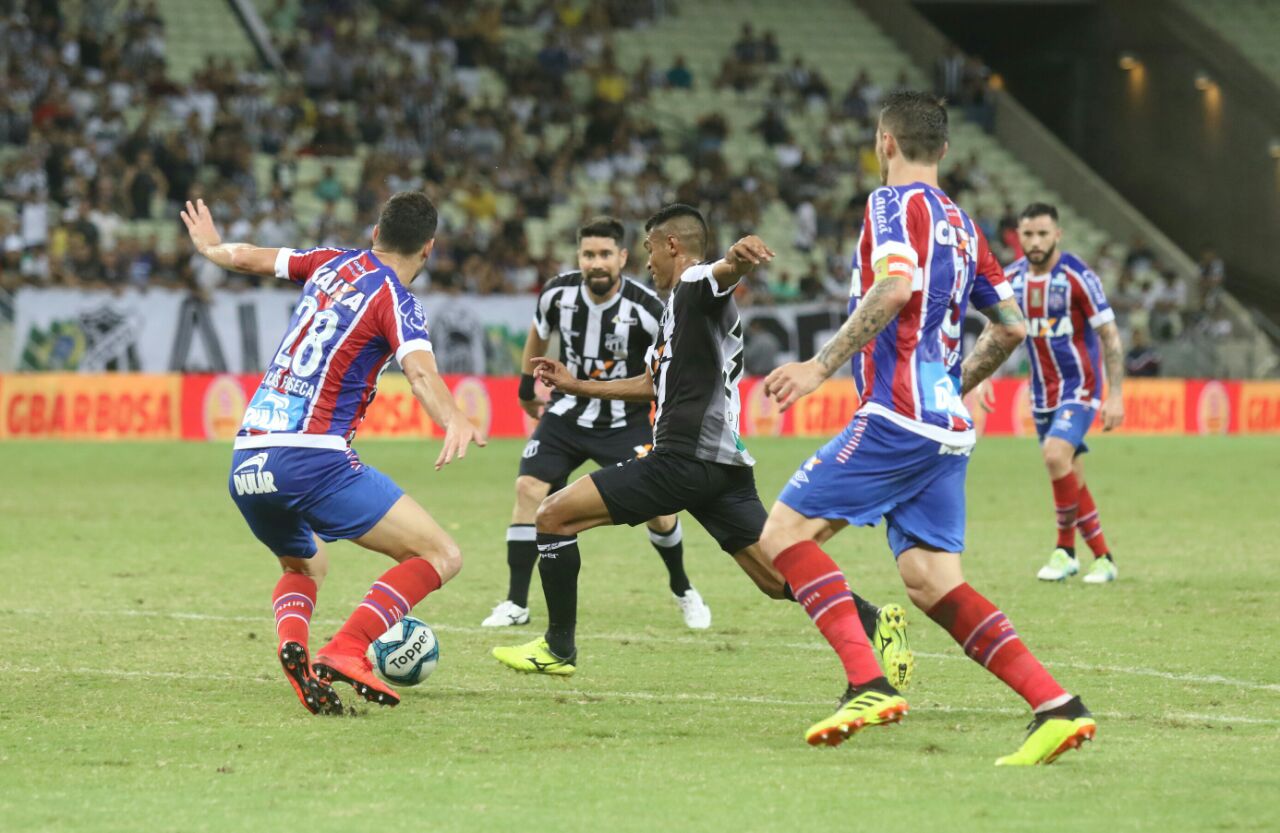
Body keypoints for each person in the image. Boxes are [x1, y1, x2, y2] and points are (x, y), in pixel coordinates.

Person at [759, 92, 1094, 765]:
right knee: (932, 582)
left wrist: (820, 367)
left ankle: (867, 681)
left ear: (885, 142)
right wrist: (951, 391)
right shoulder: (965, 227)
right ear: (942, 148)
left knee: (780, 535)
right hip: (945, 427)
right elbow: (1011, 327)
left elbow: (893, 289)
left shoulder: (890, 206)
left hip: (896, 417)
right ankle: (1056, 705)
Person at [493, 204, 913, 687]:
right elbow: (655, 383)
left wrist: (737, 259)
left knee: (551, 516)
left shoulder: (694, 283)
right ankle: (876, 621)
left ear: (671, 245)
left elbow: (721, 275)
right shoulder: (679, 308)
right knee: (776, 580)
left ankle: (557, 647)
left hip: (683, 459)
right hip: (722, 466)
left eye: (650, 248)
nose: (647, 261)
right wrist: (580, 385)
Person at [181, 193, 485, 715]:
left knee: (305, 566)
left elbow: (251, 255)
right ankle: (347, 648)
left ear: (374, 233)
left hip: (248, 461)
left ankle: (293, 644)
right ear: (429, 249)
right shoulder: (398, 299)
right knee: (439, 555)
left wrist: (210, 247)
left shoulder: (333, 261)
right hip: (311, 457)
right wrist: (453, 415)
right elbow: (419, 372)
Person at [482, 217, 712, 631]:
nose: (597, 263)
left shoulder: (645, 308)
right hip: (566, 414)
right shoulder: (558, 293)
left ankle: (683, 589)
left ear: (623, 257)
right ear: (579, 257)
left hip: (625, 422)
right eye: (589, 254)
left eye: (605, 254)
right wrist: (523, 387)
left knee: (659, 511)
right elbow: (538, 333)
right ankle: (516, 603)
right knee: (527, 489)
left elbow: (667, 366)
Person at [1004, 203, 1124, 584]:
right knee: (1070, 474)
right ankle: (1103, 557)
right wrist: (985, 379)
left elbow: (1109, 334)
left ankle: (1064, 550)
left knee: (1055, 455)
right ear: (1018, 237)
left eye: (1042, 233)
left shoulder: (1077, 276)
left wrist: (1116, 394)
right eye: (1028, 234)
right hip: (1041, 394)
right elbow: (998, 336)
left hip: (1081, 387)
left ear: (1057, 234)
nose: (1035, 241)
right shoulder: (1012, 281)